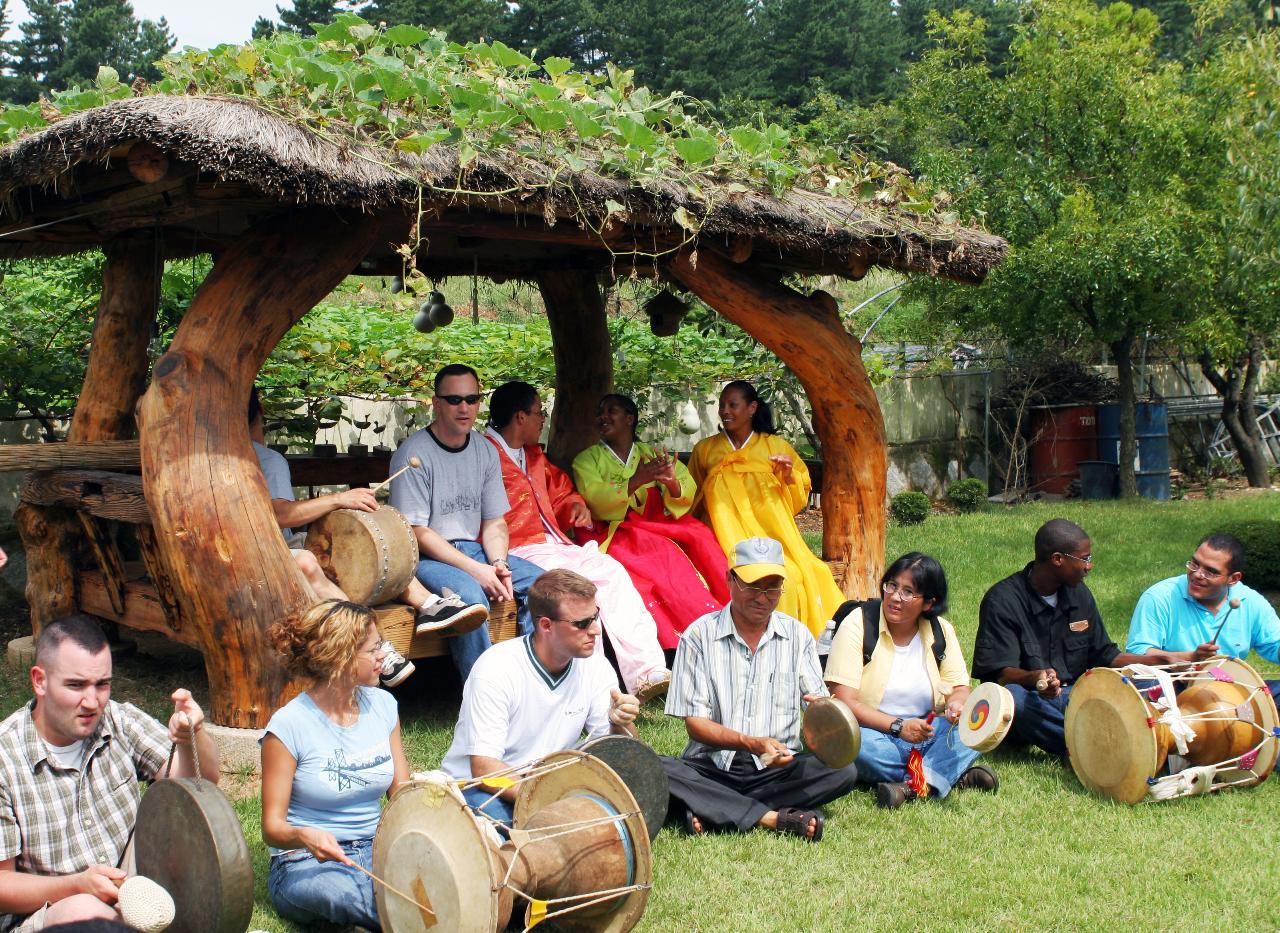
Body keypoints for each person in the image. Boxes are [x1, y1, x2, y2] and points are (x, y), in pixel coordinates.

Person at [248, 388, 486, 687]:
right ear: (258, 416)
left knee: (380, 553)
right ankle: (376, 647)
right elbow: (280, 515)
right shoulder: (265, 459)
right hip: (263, 553)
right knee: (309, 560)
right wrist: (339, 500)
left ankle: (429, 606)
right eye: (455, 398)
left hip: (272, 547)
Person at [0, 615, 219, 933]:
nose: (92, 702)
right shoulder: (5, 758)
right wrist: (76, 886)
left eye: (102, 684)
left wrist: (191, 738)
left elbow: (202, 785)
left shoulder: (120, 720)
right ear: (39, 680)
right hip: (48, 915)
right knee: (85, 912)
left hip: (129, 890)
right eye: (76, 685)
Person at [661, 537, 858, 841]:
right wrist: (752, 743)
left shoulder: (798, 636)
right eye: (753, 586)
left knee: (844, 772)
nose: (763, 598)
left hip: (776, 769)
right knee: (657, 767)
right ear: (730, 579)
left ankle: (711, 808)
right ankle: (770, 817)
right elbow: (695, 725)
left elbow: (817, 708)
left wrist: (822, 713)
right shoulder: (698, 636)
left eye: (772, 588)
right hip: (712, 765)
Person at [484, 383, 670, 699]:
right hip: (513, 547)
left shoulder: (532, 456)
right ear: (520, 417)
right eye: (538, 412)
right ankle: (593, 685)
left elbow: (561, 491)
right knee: (576, 588)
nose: (542, 419)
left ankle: (647, 672)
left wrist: (575, 505)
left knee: (610, 569)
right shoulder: (482, 453)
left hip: (553, 544)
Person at [441, 569, 640, 825]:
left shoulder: (597, 668)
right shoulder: (495, 669)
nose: (596, 631)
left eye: (595, 617)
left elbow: (621, 759)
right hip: (482, 790)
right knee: (493, 818)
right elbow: (485, 770)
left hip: (550, 787)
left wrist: (620, 722)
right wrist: (551, 805)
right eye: (582, 623)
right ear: (546, 625)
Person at [260, 600, 411, 932]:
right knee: (345, 895)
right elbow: (272, 828)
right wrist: (304, 835)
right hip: (303, 862)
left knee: (429, 880)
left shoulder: (384, 706)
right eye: (374, 650)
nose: (384, 656)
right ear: (343, 657)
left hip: (376, 847)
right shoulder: (287, 726)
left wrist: (433, 795)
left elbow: (401, 792)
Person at [389, 365, 544, 681]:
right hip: (426, 558)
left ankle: (535, 681)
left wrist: (499, 564)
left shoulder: (485, 451)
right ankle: (484, 697)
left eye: (471, 399)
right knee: (470, 600)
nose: (464, 407)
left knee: (546, 586)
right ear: (436, 403)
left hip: (474, 550)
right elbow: (416, 532)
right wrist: (477, 570)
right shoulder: (414, 453)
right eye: (454, 399)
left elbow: (495, 521)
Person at [973, 518, 1168, 757]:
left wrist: (1163, 664)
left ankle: (1116, 739)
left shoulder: (1079, 593)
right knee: (1013, 698)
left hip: (1078, 696)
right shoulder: (1002, 600)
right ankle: (1092, 750)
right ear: (1058, 559)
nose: (1089, 566)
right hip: (1035, 704)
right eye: (1085, 559)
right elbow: (1000, 675)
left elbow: (1106, 656)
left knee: (1150, 683)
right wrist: (1035, 678)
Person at [825, 553, 997, 809]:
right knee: (853, 747)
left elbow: (960, 688)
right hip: (871, 732)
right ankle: (946, 774)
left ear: (928, 603)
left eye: (908, 592)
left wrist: (956, 706)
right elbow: (844, 702)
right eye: (892, 586)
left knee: (975, 730)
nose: (895, 597)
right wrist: (898, 727)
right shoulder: (858, 623)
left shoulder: (941, 630)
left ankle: (910, 788)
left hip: (927, 729)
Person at [687, 381, 844, 638]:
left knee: (802, 574)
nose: (725, 411)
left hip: (773, 535)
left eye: (733, 405)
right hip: (722, 534)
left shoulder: (775, 447)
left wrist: (788, 476)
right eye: (722, 405)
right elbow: (691, 497)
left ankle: (795, 642)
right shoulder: (705, 450)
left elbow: (796, 500)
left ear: (752, 408)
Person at [572, 393, 728, 648]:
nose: (603, 417)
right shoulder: (586, 459)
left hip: (657, 523)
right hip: (616, 528)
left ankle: (729, 608)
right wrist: (637, 480)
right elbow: (595, 499)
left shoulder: (652, 454)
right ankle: (681, 634)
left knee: (701, 536)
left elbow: (684, 489)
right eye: (600, 412)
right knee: (664, 557)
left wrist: (671, 482)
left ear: (630, 419)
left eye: (611, 411)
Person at [1126, 532, 1280, 699]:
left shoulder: (1251, 602)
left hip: (1231, 691)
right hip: (1174, 687)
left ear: (1233, 579)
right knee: (1147, 687)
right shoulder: (1159, 597)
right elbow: (1137, 653)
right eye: (1195, 564)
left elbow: (1275, 645)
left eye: (1211, 572)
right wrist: (1188, 658)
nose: (1197, 574)